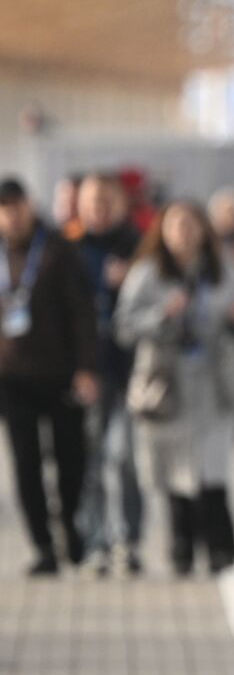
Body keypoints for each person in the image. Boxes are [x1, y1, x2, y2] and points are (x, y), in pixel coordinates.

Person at [114, 200, 234, 575]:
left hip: (213, 383)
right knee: (173, 470)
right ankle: (181, 546)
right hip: (166, 386)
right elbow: (123, 326)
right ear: (163, 230)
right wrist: (162, 316)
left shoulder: (222, 271)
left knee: (212, 470)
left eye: (192, 225)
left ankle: (221, 548)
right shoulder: (147, 273)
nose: (185, 233)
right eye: (176, 225)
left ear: (204, 230)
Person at [0, 177, 100, 575]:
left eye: (15, 206)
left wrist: (87, 368)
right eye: (3, 209)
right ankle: (43, 546)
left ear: (29, 205)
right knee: (25, 465)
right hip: (11, 379)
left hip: (60, 375)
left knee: (70, 459)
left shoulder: (58, 248)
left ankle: (72, 531)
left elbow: (82, 313)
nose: (10, 215)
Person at [74, 173, 144, 576]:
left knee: (125, 459)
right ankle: (95, 540)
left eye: (105, 201)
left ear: (120, 204)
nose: (98, 209)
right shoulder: (71, 250)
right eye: (91, 202)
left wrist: (126, 283)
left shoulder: (138, 247)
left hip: (132, 370)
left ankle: (128, 540)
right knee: (92, 459)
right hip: (90, 371)